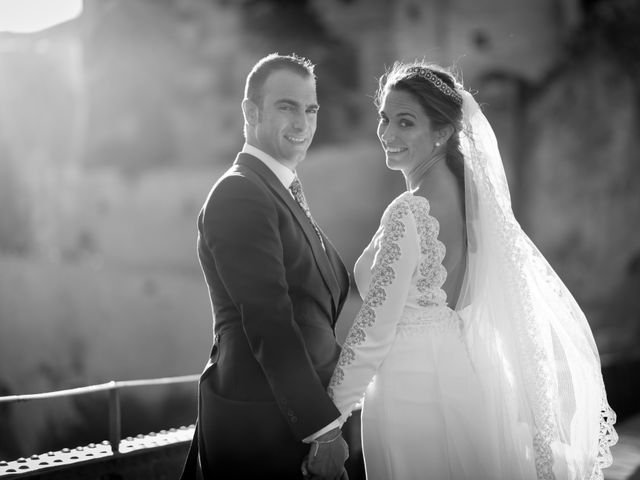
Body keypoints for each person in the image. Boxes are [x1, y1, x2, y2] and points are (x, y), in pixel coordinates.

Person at [322, 61, 618, 479]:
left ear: (442, 132)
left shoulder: (410, 212)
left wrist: (327, 422)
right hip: (460, 378)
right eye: (384, 119)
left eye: (405, 123)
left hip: (411, 398)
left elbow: (373, 331)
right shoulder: (472, 205)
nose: (387, 134)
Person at [180, 53, 351, 480]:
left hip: (295, 422)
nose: (303, 123)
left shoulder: (281, 192)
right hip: (265, 430)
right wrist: (323, 431)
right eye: (286, 107)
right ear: (251, 112)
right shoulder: (239, 193)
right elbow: (269, 321)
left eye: (310, 109)